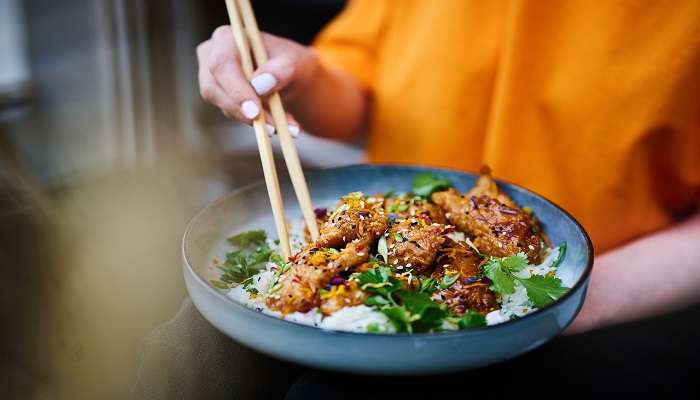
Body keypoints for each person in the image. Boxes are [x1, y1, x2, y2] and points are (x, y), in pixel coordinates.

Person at [197, 0, 700, 336]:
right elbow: (362, 92)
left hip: (622, 302)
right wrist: (299, 78)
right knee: (192, 348)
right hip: (391, 228)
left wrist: (571, 298)